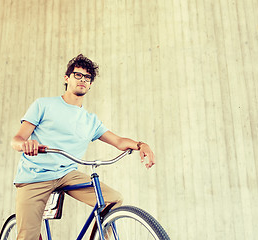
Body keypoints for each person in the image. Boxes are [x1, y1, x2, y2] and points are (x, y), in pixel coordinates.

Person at [11, 54, 155, 240]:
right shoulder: (44, 105)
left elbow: (119, 141)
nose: (83, 80)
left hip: (67, 174)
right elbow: (17, 139)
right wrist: (26, 144)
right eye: (78, 75)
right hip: (35, 175)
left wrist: (141, 145)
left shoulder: (90, 121)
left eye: (87, 78)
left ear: (90, 84)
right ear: (67, 78)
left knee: (113, 199)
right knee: (27, 237)